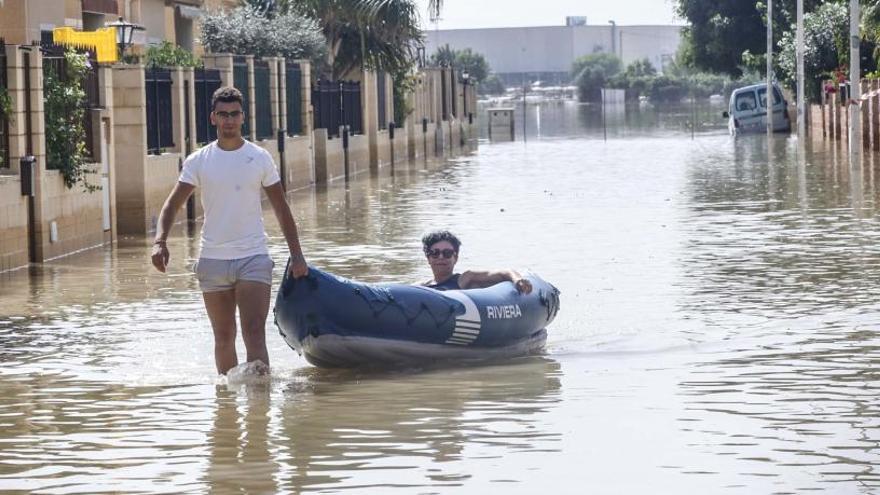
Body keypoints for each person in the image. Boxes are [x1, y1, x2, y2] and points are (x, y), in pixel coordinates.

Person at [150, 86, 308, 375]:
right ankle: (227, 408)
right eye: (223, 115)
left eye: (234, 114)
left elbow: (282, 208)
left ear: (243, 117)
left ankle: (259, 409)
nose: (229, 120)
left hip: (253, 257)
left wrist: (297, 256)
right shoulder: (199, 160)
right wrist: (159, 241)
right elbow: (172, 204)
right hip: (212, 260)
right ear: (213, 118)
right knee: (224, 338)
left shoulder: (259, 158)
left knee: (254, 334)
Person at [421, 230, 532, 294]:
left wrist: (518, 281)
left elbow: (504, 273)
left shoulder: (465, 279)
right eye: (435, 253)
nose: (441, 257)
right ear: (428, 258)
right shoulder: (422, 287)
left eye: (447, 253)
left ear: (456, 258)